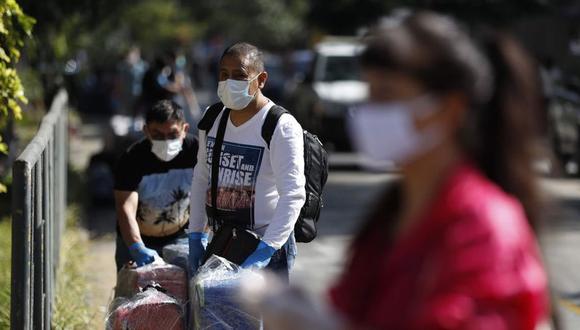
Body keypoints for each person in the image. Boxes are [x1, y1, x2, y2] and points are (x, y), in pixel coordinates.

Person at [246, 12, 551, 329]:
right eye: (370, 92)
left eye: (387, 95)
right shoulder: (391, 214)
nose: (369, 111)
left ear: (449, 108)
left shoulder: (483, 227)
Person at [188, 42, 306, 281]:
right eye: (224, 74)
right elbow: (201, 178)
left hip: (266, 249)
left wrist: (265, 252)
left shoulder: (279, 126)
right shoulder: (212, 118)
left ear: (261, 79)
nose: (229, 81)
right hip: (222, 246)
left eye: (239, 75)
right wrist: (195, 235)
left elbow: (293, 194)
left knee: (266, 320)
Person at [113, 100, 198, 271]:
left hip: (180, 238)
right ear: (146, 131)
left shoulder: (196, 151)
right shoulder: (132, 158)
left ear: (185, 130)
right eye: (158, 135)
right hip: (137, 240)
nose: (166, 141)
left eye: (173, 134)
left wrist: (200, 238)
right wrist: (136, 247)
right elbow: (125, 208)